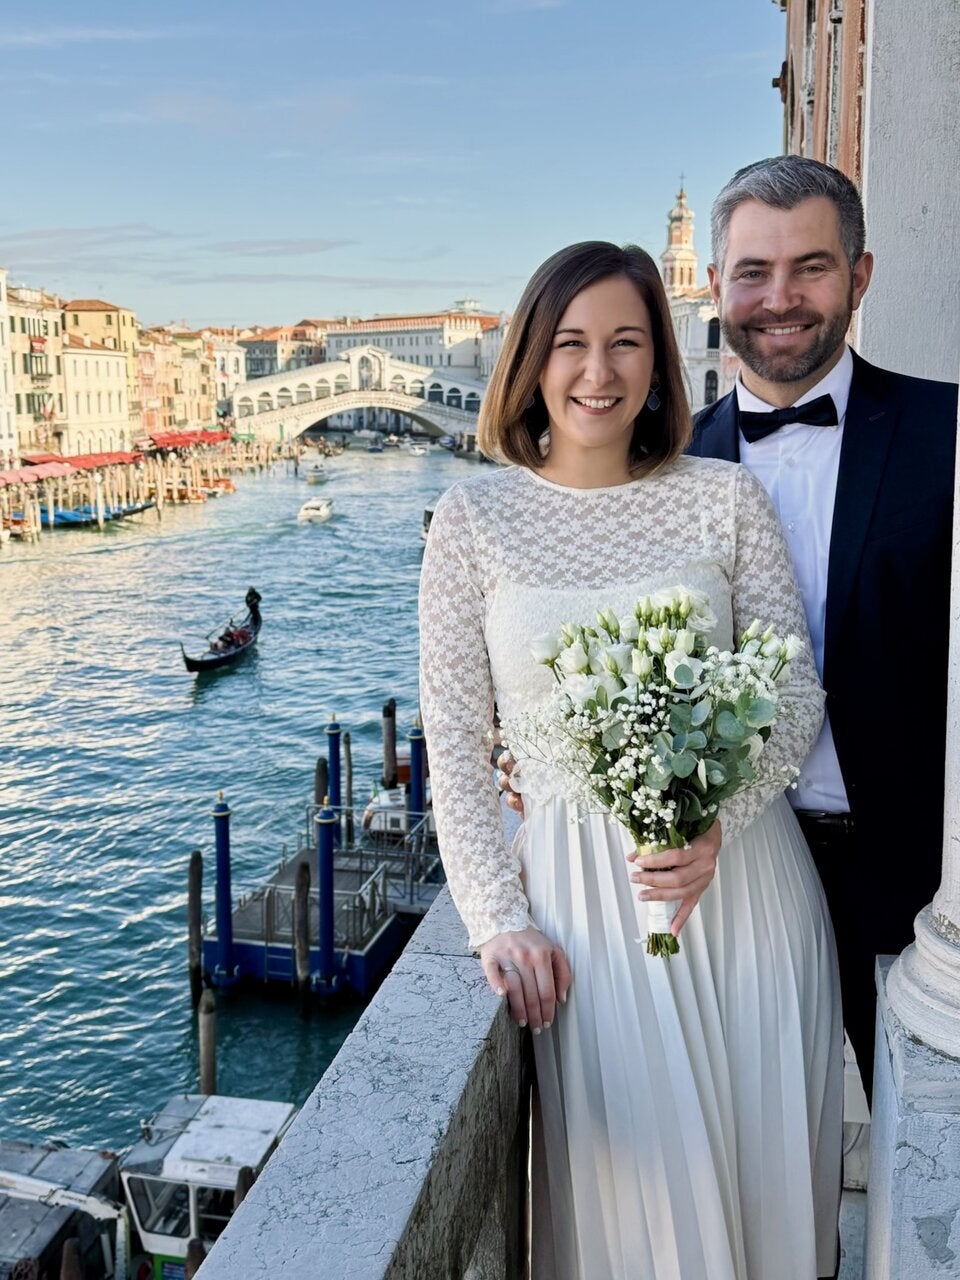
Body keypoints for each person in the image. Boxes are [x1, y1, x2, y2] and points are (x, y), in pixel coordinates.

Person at [420, 241, 843, 1280]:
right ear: (531, 358)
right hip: (584, 918)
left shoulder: (723, 497)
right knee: (645, 1229)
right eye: (570, 342)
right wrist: (497, 918)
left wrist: (715, 822)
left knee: (766, 1202)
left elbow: (794, 693)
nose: (597, 371)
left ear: (659, 360)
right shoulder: (471, 520)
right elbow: (456, 743)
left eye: (626, 342)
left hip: (745, 890)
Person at [689, 156, 958, 1102]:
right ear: (716, 284)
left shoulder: (948, 432)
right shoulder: (667, 464)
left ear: (860, 276)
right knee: (754, 1142)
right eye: (753, 272)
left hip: (918, 877)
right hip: (735, 872)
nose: (780, 299)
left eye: (811, 267)